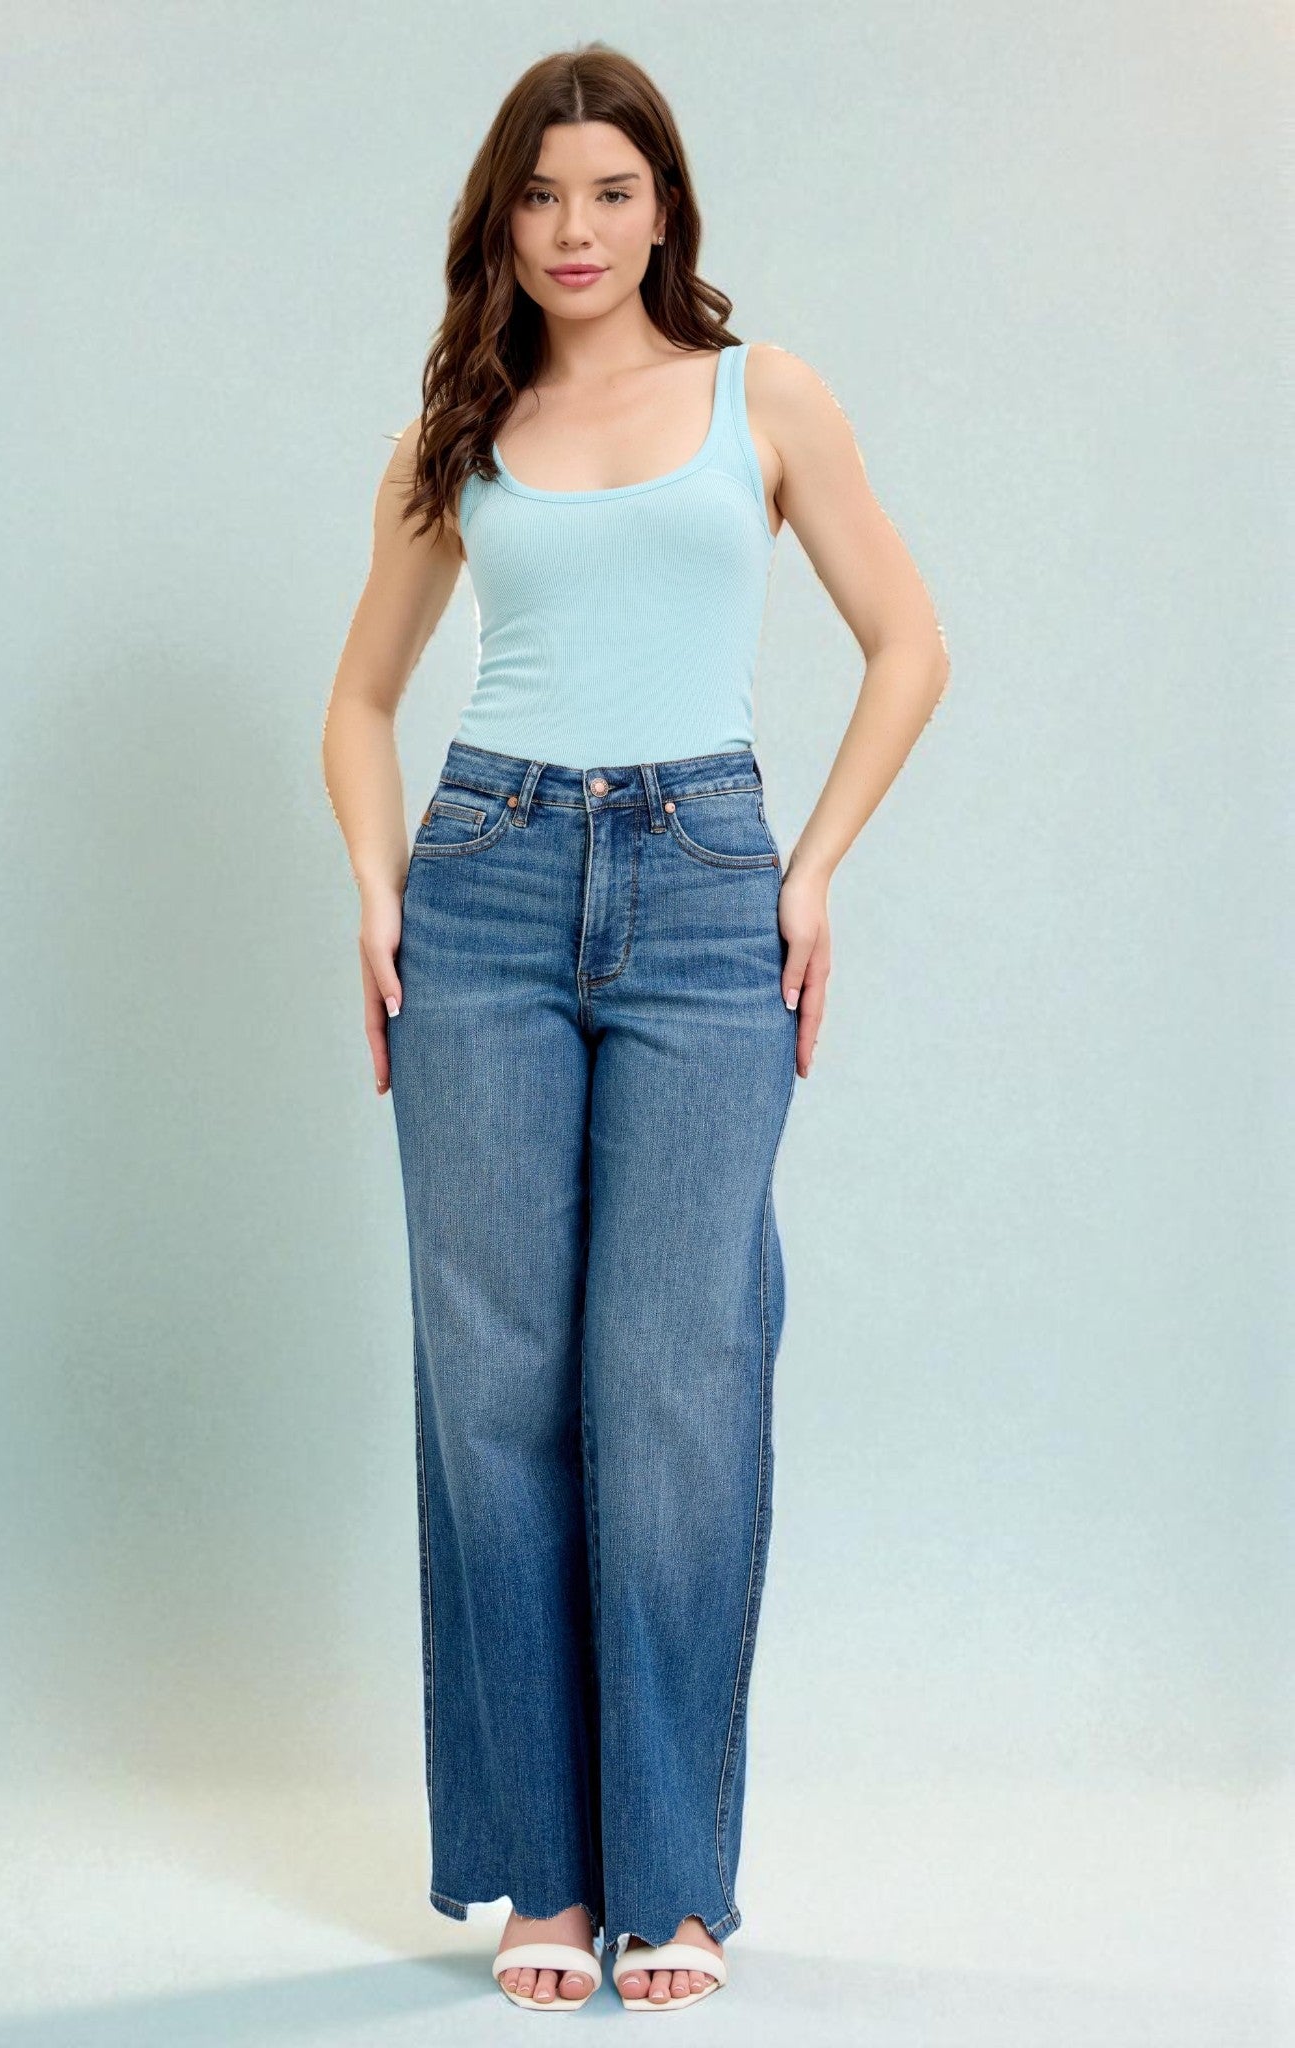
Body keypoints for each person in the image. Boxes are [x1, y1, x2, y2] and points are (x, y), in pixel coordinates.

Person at [321, 42, 949, 2015]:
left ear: (664, 205)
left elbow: (907, 640)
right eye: (537, 196)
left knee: (668, 1387)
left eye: (606, 191)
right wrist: (372, 885)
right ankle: (547, 1879)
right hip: (485, 886)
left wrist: (813, 863)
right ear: (499, 220)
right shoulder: (467, 415)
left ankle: (670, 1879)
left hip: (697, 891)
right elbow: (357, 701)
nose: (572, 230)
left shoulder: (765, 396)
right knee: (491, 1391)